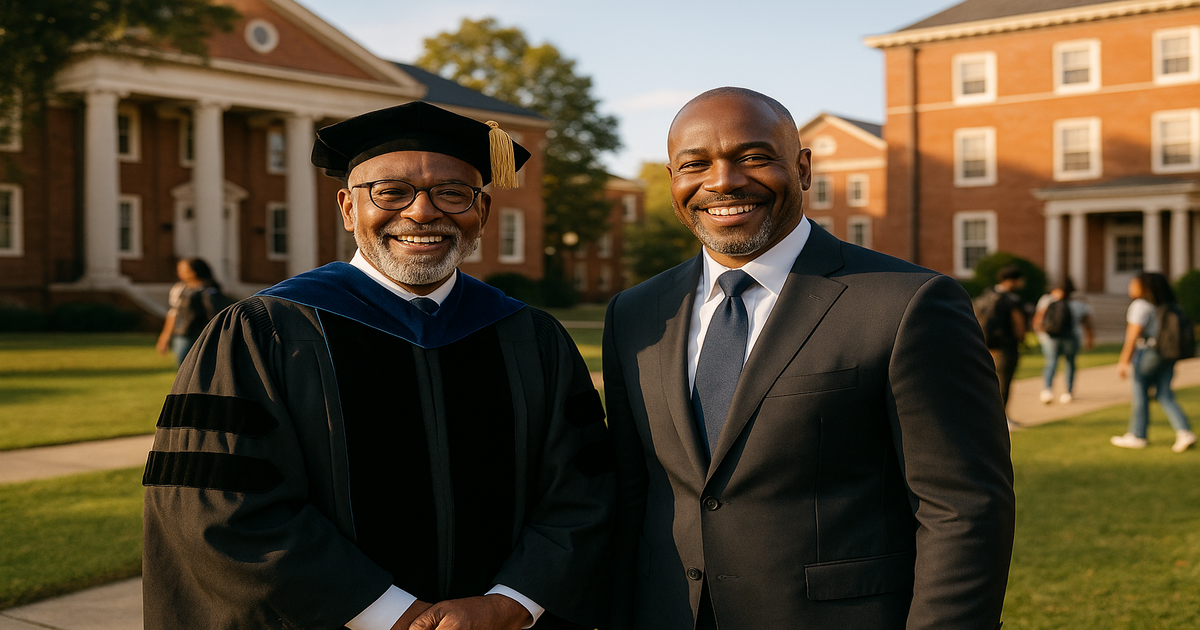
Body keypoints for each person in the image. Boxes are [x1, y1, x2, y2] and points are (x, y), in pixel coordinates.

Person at [142, 101, 615, 630]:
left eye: (452, 193)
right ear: (348, 208)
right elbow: (218, 502)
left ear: (481, 212)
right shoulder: (263, 333)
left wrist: (511, 602)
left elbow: (583, 487)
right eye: (391, 191)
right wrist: (390, 614)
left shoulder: (530, 336)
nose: (421, 212)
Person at [603, 87, 1015, 630]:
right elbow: (635, 494)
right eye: (695, 164)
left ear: (802, 169)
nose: (723, 182)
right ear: (673, 180)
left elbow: (963, 508)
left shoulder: (908, 303)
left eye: (753, 157)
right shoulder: (635, 313)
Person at [1111, 272, 1197, 453]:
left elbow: (1133, 335)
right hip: (1168, 353)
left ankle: (1137, 434)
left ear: (1145, 287)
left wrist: (1124, 360)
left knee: (1140, 392)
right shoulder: (1170, 305)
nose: (1130, 287)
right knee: (1165, 394)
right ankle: (1184, 431)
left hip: (1149, 351)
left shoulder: (1140, 306)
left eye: (1134, 284)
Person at [974, 264, 1026, 420]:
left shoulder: (985, 296)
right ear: (1012, 280)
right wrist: (1021, 339)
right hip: (1005, 346)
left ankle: (984, 417)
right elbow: (1019, 324)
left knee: (986, 384)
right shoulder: (1011, 300)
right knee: (1004, 383)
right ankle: (1003, 419)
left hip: (984, 346)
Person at [154, 257, 228, 366]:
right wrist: (165, 336)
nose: (180, 273)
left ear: (195, 271)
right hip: (185, 333)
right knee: (185, 367)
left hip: (207, 333)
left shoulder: (211, 291)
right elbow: (173, 313)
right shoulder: (179, 289)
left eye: (184, 270)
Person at [1032, 278, 1095, 404]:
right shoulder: (1079, 304)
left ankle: (1047, 390)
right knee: (1070, 363)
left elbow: (1039, 318)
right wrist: (1090, 338)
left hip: (1051, 337)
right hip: (1072, 336)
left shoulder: (1048, 300)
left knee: (1051, 362)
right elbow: (1087, 322)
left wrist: (1039, 333)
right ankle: (1068, 391)